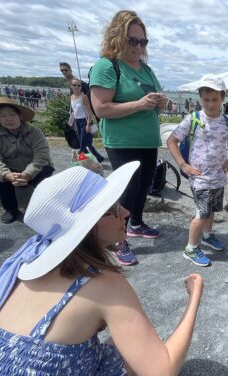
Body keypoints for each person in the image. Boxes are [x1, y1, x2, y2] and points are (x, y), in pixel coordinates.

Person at [0, 163, 204, 376]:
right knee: (125, 354)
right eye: (112, 209)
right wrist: (193, 300)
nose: (126, 213)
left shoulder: (24, 264)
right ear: (88, 225)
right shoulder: (104, 284)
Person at [90, 10, 169, 267]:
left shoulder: (145, 69)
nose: (138, 46)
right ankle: (116, 241)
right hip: (122, 141)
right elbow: (101, 108)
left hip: (147, 139)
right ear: (117, 37)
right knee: (127, 189)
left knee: (144, 184)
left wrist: (160, 104)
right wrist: (139, 104)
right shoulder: (107, 65)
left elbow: (151, 105)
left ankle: (135, 223)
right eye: (132, 40)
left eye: (142, 41)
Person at [167, 75, 228, 267]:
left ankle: (208, 236)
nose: (210, 104)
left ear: (223, 98)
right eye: (206, 99)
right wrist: (183, 164)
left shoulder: (227, 122)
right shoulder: (193, 119)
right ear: (201, 98)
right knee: (201, 213)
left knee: (211, 211)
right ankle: (191, 248)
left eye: (214, 99)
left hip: (218, 176)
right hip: (199, 178)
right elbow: (172, 141)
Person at [0, 97, 55, 224]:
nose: (8, 119)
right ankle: (10, 209)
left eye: (12, 114)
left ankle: (46, 206)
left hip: (36, 167)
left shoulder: (35, 132)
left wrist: (28, 173)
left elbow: (41, 155)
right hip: (11, 170)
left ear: (20, 115)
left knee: (45, 177)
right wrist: (7, 174)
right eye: (2, 116)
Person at [70, 78, 105, 162]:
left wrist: (88, 124)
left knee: (82, 144)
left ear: (81, 87)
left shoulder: (84, 97)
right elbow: (74, 110)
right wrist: (73, 122)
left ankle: (80, 160)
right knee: (87, 144)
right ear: (71, 86)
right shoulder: (71, 97)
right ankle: (99, 158)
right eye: (74, 85)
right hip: (77, 122)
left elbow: (89, 111)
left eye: (78, 85)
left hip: (84, 122)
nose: (76, 87)